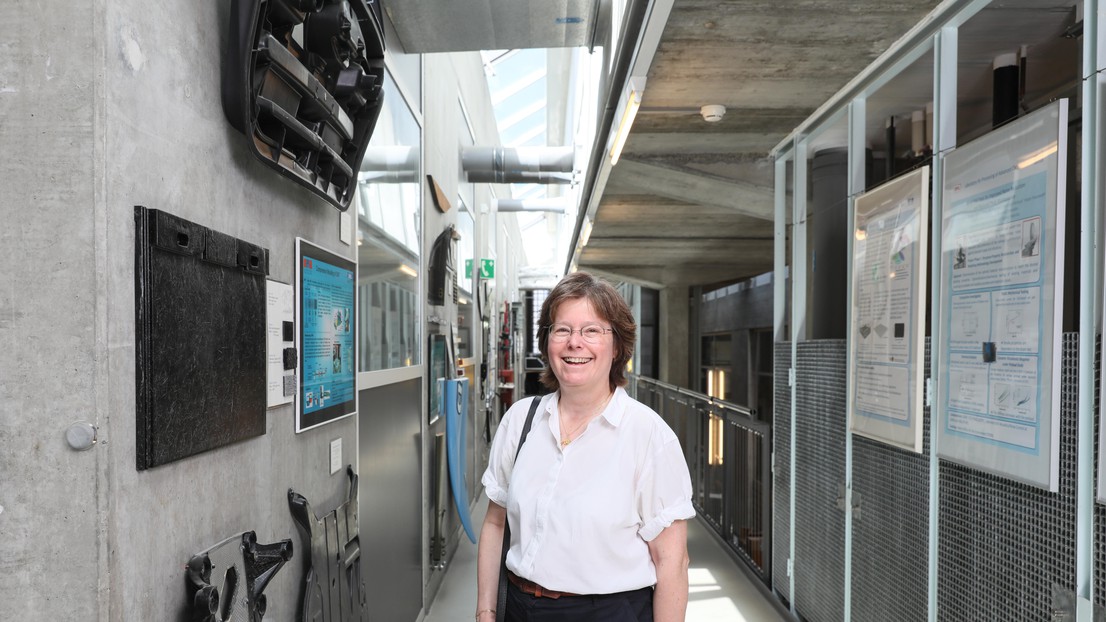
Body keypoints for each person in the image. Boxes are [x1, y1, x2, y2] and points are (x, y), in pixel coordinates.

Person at [476, 272, 695, 622]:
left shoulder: (648, 435)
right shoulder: (520, 421)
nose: (574, 343)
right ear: (547, 342)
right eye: (562, 330)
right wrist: (486, 610)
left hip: (607, 612)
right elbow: (495, 523)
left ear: (618, 346)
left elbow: (672, 562)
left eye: (592, 330)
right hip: (518, 608)